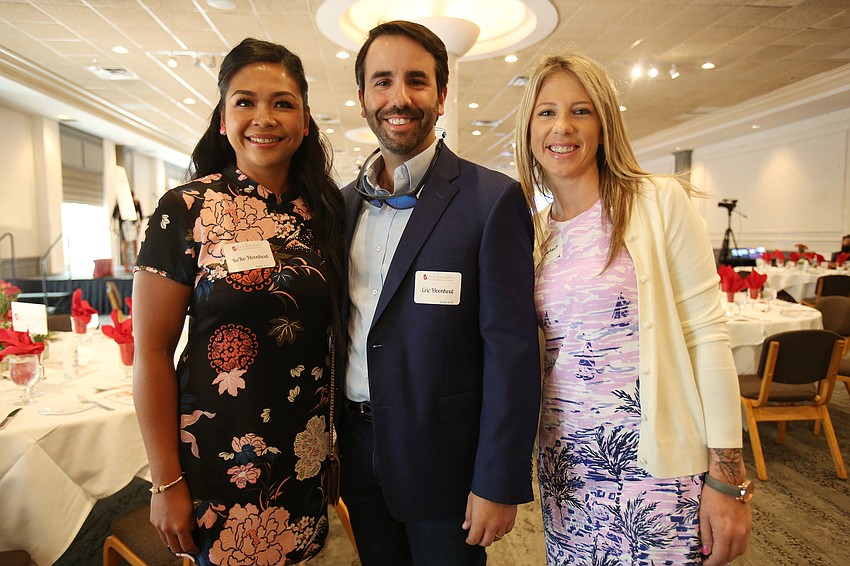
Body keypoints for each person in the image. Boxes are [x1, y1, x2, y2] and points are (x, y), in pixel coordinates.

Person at [514, 50, 752, 565]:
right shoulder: (532, 233)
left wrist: (726, 476)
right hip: (566, 466)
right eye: (546, 111)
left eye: (581, 110)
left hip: (657, 466)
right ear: (529, 129)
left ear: (604, 124)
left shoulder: (656, 202)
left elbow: (707, 336)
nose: (562, 126)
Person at [132, 38, 344, 564]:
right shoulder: (186, 208)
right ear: (223, 120)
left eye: (283, 103)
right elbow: (151, 352)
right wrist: (165, 481)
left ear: (305, 121)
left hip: (304, 451)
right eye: (245, 101)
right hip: (218, 455)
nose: (263, 118)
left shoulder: (324, 212)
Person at [338, 20, 541, 566]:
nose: (399, 98)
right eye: (382, 81)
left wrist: (498, 478)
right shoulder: (342, 204)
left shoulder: (491, 200)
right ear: (362, 98)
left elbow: (512, 351)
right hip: (357, 449)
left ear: (442, 95)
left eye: (417, 81)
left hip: (445, 459)